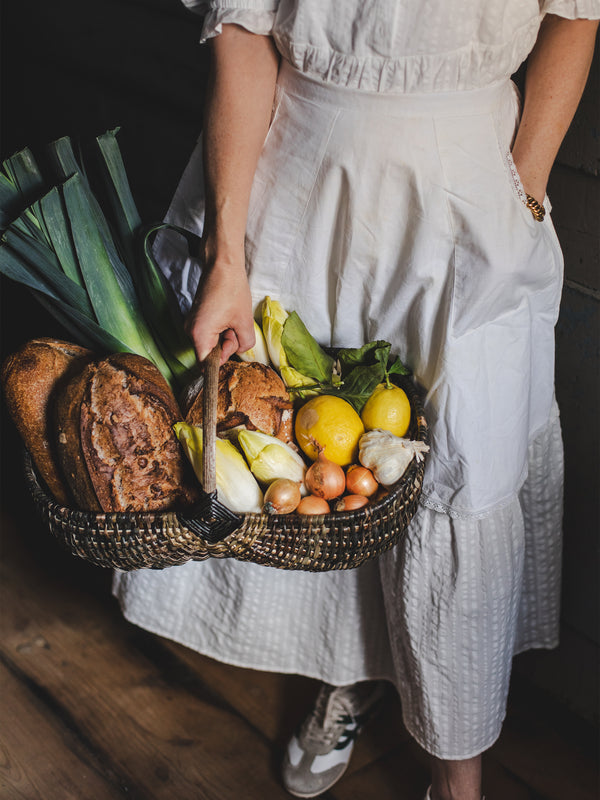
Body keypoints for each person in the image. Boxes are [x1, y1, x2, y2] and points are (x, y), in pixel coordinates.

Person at [112, 3, 599, 799]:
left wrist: (528, 194)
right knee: (315, 458)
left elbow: (575, 15)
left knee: (460, 474)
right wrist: (227, 255)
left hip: (473, 188)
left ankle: (458, 769)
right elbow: (244, 33)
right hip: (298, 174)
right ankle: (353, 675)